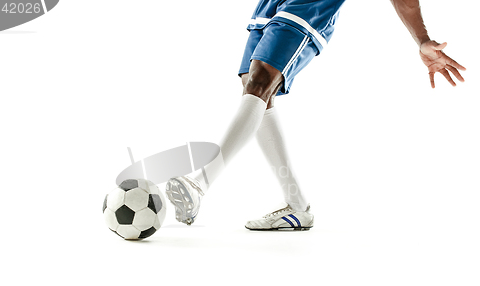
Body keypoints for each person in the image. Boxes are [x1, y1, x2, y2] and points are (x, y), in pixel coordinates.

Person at [165, 0, 466, 230]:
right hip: (271, 4)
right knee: (253, 87)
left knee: (260, 81)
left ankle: (199, 184)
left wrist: (422, 39)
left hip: (310, 6)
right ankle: (296, 204)